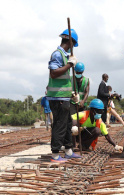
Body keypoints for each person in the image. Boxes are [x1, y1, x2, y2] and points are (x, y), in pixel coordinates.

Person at [47, 28, 81, 163]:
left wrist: (71, 93)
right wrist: (69, 65)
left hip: (64, 97)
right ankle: (55, 155)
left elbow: (64, 79)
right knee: (60, 125)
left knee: (67, 125)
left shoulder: (65, 56)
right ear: (71, 42)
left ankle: (68, 151)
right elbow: (54, 73)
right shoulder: (57, 54)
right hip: (58, 98)